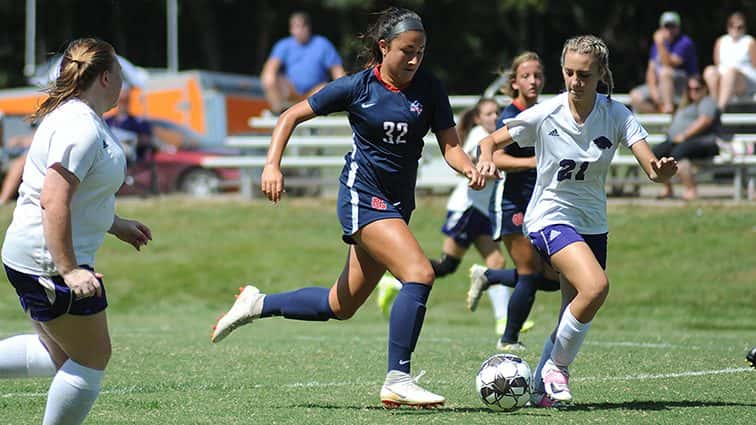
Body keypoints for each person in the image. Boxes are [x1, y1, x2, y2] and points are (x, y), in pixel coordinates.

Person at [211, 7, 486, 408]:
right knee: (419, 272)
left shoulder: (429, 87)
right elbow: (290, 115)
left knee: (340, 305)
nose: (414, 60)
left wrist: (470, 169)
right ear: (383, 47)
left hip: (396, 205)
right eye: (406, 51)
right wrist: (272, 164)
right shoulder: (357, 87)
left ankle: (257, 302)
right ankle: (398, 378)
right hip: (362, 195)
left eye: (421, 52)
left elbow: (451, 145)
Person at [477, 35, 677, 407]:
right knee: (596, 287)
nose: (574, 81)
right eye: (569, 73)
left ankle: (540, 386)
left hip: (592, 223)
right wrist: (487, 158)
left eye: (584, 74)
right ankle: (557, 369)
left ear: (601, 73)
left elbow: (651, 168)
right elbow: (489, 142)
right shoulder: (547, 112)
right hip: (549, 216)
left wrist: (662, 172)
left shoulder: (616, 114)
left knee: (576, 307)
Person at [0, 38, 152, 424]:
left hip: (33, 253)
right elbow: (54, 199)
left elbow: (81, 196)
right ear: (104, 77)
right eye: (120, 73)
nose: (123, 82)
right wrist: (69, 270)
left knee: (58, 354)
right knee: (91, 358)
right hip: (48, 260)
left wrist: (116, 224)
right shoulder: (80, 126)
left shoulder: (80, 116)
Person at [466, 52, 560, 352]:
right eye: (526, 76)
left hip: (540, 203)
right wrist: (537, 162)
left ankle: (490, 275)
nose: (533, 81)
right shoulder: (510, 115)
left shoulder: (544, 111)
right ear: (515, 82)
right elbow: (498, 156)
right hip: (512, 204)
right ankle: (508, 339)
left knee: (554, 279)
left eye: (537, 75)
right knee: (530, 274)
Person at [423, 98, 513, 337]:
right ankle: (397, 282)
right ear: (477, 118)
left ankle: (503, 322)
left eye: (497, 112)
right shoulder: (479, 136)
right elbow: (476, 165)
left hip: (481, 213)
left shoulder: (493, 137)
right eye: (489, 113)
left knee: (497, 264)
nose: (494, 117)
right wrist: (506, 169)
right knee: (446, 265)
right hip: (466, 209)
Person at [261, 11, 346, 114]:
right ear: (291, 29)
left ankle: (318, 110)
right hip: (290, 93)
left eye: (302, 26)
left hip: (315, 93)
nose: (299, 30)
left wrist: (344, 93)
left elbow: (338, 72)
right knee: (269, 78)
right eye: (295, 27)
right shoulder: (283, 45)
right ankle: (278, 111)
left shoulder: (322, 44)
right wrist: (270, 81)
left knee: (326, 87)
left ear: (308, 27)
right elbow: (270, 69)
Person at [652, 75, 721, 200]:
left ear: (705, 89)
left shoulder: (707, 102)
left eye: (697, 88)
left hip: (703, 141)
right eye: (690, 89)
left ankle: (691, 190)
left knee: (678, 153)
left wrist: (684, 135)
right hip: (679, 141)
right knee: (656, 152)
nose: (693, 92)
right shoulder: (686, 104)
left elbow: (705, 120)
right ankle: (668, 188)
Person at [629, 11, 699, 114]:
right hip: (661, 86)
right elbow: (651, 71)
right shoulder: (656, 45)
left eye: (673, 26)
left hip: (682, 84)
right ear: (661, 28)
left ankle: (668, 108)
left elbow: (669, 64)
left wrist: (660, 44)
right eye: (667, 26)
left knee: (665, 73)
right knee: (635, 96)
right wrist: (654, 92)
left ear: (678, 28)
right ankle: (663, 113)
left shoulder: (685, 42)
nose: (669, 30)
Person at [703, 12, 756, 110]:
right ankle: (713, 105)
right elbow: (717, 65)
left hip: (744, 81)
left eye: (740, 27)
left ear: (744, 28)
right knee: (710, 70)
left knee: (731, 72)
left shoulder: (750, 41)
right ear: (728, 27)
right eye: (732, 25)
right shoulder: (720, 41)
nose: (736, 29)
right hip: (724, 79)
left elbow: (755, 66)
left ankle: (720, 109)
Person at [0, 130, 34, 205]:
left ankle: (2, 201)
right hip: (9, 152)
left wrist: (21, 140)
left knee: (19, 164)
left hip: (25, 155)